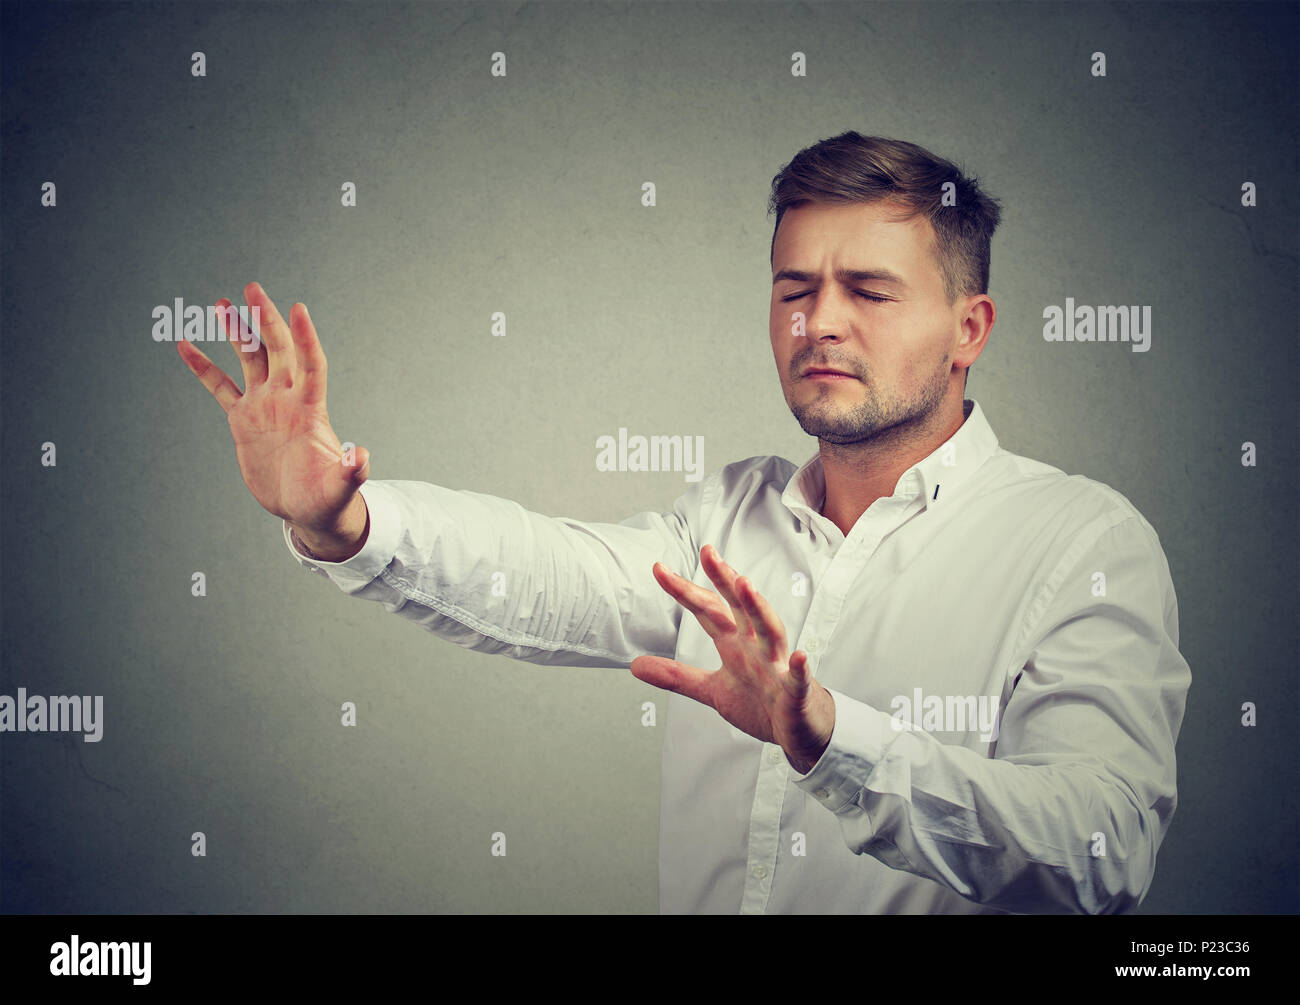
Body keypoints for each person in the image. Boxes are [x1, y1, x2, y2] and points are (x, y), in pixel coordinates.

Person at [177, 132, 1190, 914]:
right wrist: (343, 518)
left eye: (869, 292)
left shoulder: (1082, 545)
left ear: (969, 329)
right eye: (794, 288)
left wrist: (827, 735)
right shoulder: (728, 513)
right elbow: (550, 575)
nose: (818, 322)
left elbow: (1098, 851)